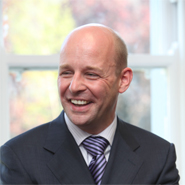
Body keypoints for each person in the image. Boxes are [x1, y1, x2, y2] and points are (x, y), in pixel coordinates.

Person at [0, 24, 180, 184]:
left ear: (123, 80)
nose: (74, 86)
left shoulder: (158, 157)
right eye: (67, 72)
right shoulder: (19, 156)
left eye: (91, 74)